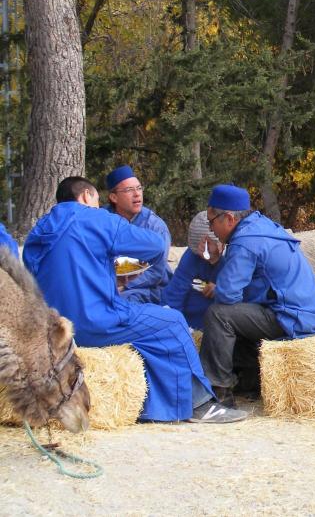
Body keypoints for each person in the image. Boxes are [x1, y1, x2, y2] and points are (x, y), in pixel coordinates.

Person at [23, 176, 246, 424]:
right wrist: (118, 262)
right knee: (172, 322)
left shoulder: (38, 231)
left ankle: (148, 405)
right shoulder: (97, 219)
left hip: (57, 334)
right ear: (86, 196)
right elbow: (155, 245)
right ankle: (199, 404)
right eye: (96, 200)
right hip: (97, 322)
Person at [199, 184, 315, 404]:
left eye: (212, 221)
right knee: (236, 317)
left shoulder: (244, 241)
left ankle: (217, 393)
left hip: (291, 318)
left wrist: (218, 278)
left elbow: (227, 295)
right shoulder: (261, 225)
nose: (211, 228)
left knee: (219, 315)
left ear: (229, 218)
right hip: (309, 313)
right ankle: (250, 380)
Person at [105, 165, 172, 304]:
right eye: (129, 190)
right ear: (113, 197)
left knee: (119, 301)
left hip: (148, 287)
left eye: (139, 188)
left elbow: (156, 272)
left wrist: (124, 286)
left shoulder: (155, 226)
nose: (137, 194)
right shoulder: (102, 219)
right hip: (109, 281)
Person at [162, 211, 222, 330]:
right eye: (198, 251)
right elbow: (175, 293)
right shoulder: (191, 257)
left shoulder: (234, 255)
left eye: (206, 250)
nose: (203, 255)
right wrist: (171, 324)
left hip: (221, 317)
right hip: (191, 321)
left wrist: (222, 288)